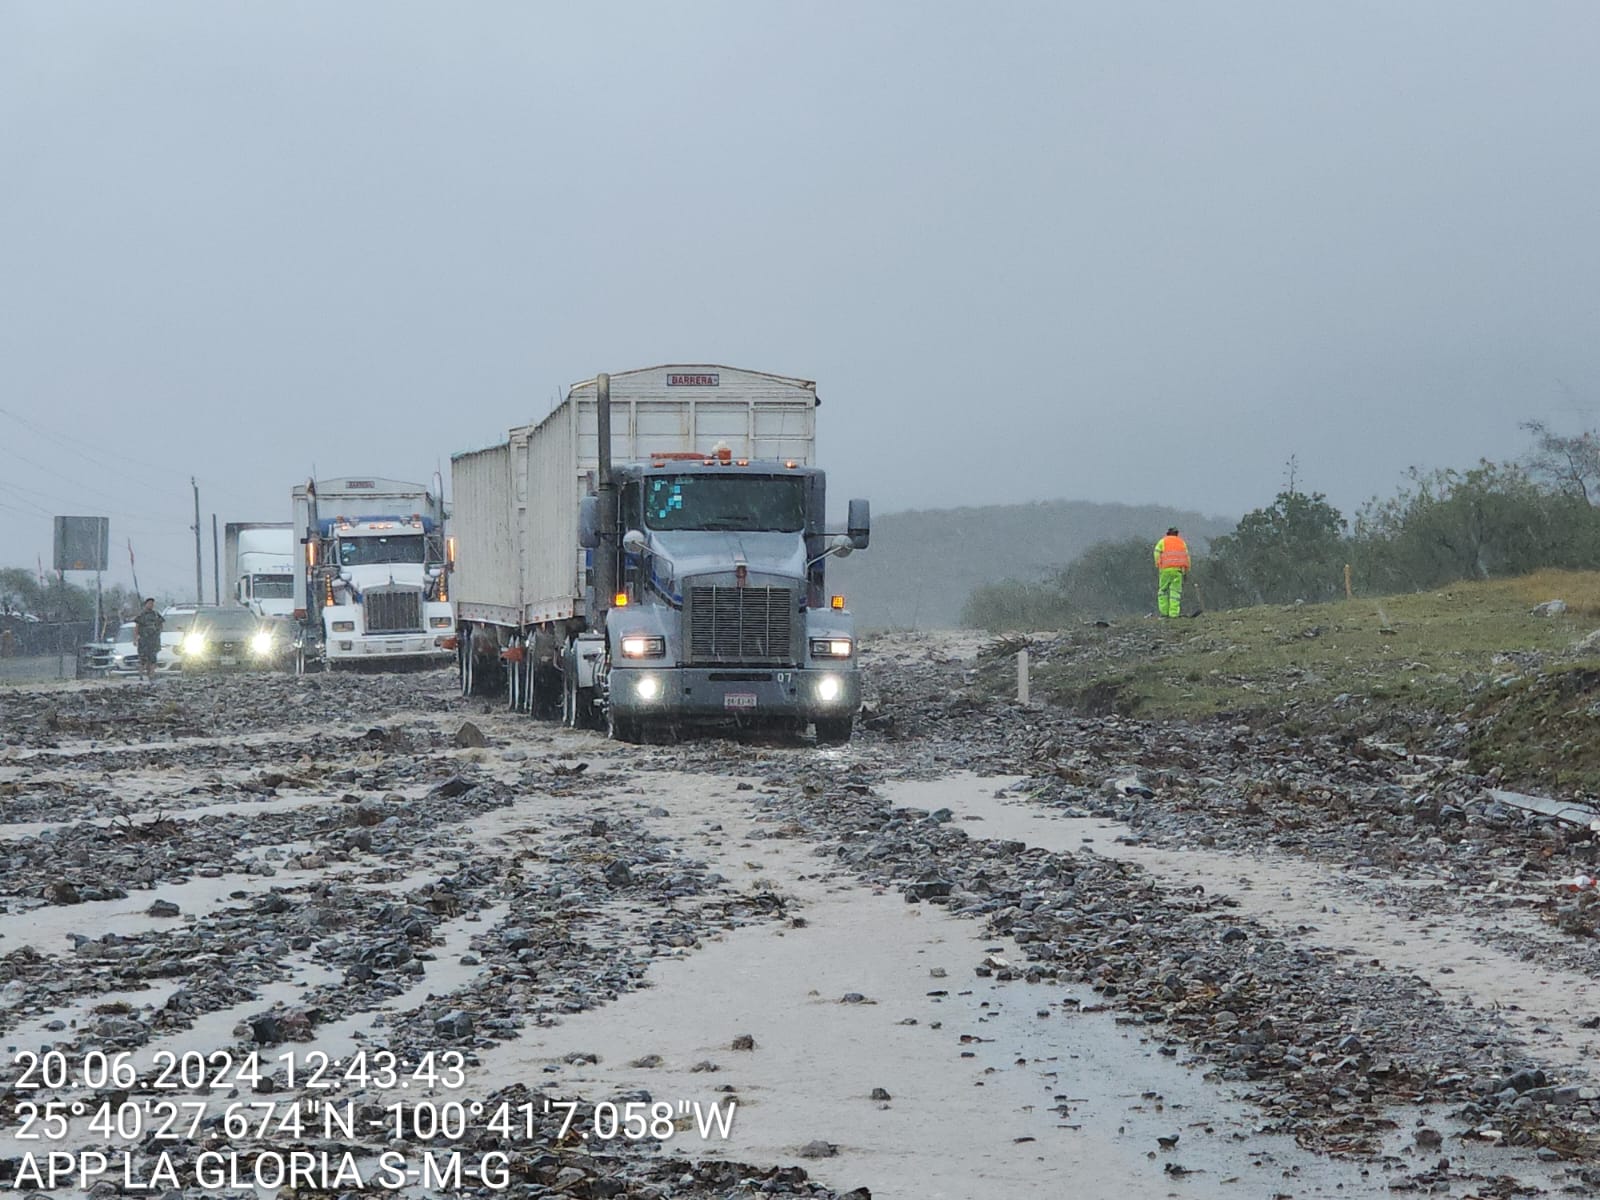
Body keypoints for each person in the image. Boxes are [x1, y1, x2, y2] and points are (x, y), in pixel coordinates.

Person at [1153, 527, 1190, 618]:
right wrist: (1186, 571)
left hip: (1165, 570)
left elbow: (1156, 553)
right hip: (1178, 571)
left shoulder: (1162, 541)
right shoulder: (1182, 543)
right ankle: (1173, 614)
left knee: (1163, 591)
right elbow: (1187, 557)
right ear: (1177, 534)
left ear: (1168, 533)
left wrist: (1158, 564)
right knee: (1175, 593)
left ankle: (1164, 613)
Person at [132, 597, 164, 681]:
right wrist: (135, 639)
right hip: (144, 641)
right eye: (149, 603)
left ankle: (152, 674)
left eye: (152, 603)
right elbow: (136, 627)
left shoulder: (156, 614)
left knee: (153, 658)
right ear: (146, 604)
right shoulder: (142, 615)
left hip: (153, 641)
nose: (151, 605)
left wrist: (158, 633)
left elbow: (161, 625)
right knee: (143, 659)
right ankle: (141, 675)